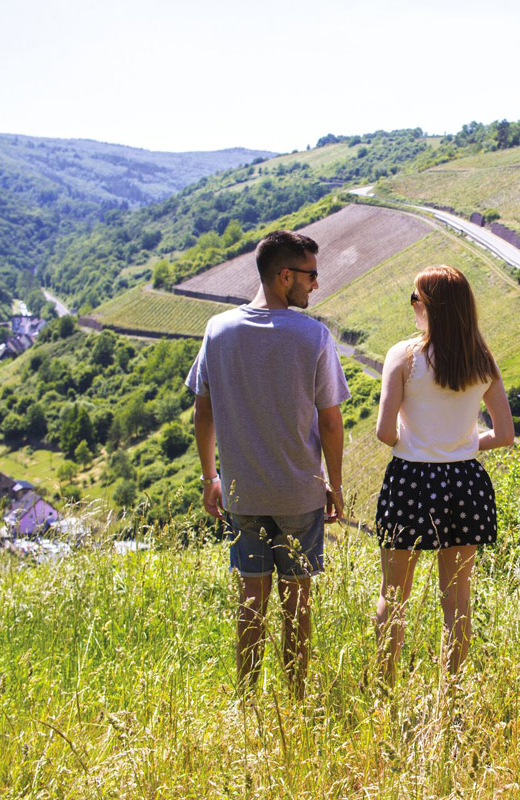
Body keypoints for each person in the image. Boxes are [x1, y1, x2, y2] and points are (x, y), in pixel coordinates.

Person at [185, 229, 350, 698]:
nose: (315, 285)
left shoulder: (218, 330)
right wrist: (334, 486)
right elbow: (332, 423)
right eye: (311, 276)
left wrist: (210, 477)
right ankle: (295, 699)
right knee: (297, 603)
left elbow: (203, 409)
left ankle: (248, 700)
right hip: (299, 494)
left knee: (250, 602)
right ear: (284, 276)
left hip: (243, 494)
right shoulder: (313, 336)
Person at [374, 264, 513, 684]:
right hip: (465, 484)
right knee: (457, 598)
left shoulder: (405, 355)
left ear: (430, 306)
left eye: (415, 298)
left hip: (412, 481)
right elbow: (505, 434)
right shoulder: (481, 360)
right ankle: (450, 695)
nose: (412, 306)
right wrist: (465, 444)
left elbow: (384, 432)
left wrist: (417, 444)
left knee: (393, 594)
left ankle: (385, 687)